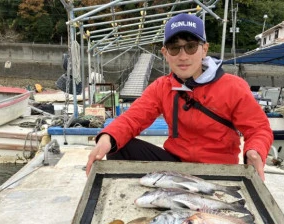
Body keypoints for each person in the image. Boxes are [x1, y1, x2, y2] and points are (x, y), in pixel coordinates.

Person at [86, 13, 273, 180]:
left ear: (204, 49)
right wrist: (107, 138)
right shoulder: (161, 86)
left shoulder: (233, 86)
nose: (183, 56)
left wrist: (254, 150)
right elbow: (132, 118)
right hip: (175, 165)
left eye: (191, 47)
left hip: (219, 170)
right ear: (165, 53)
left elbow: (258, 128)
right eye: (174, 49)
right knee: (119, 145)